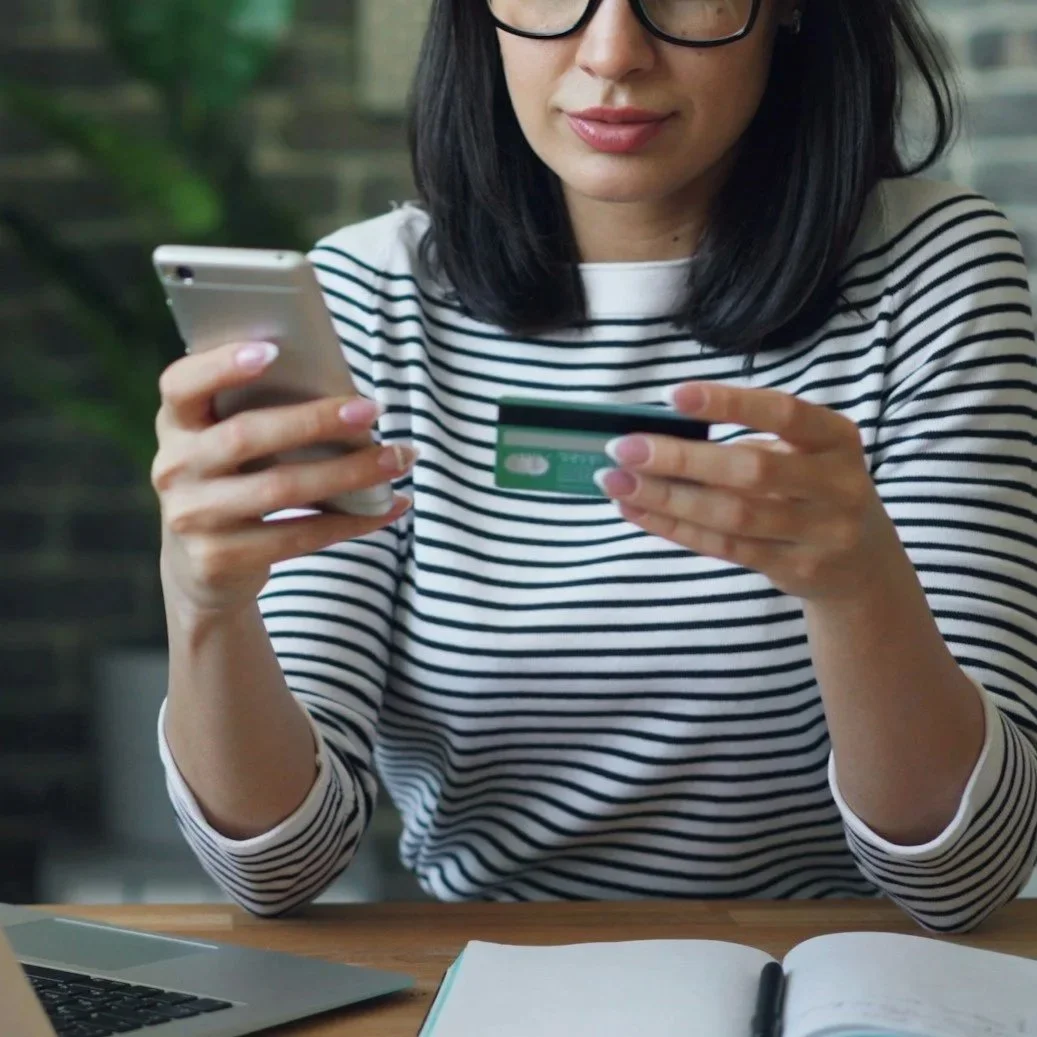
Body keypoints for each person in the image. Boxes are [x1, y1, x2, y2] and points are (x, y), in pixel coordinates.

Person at [151, 0, 1037, 933]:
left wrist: (859, 587)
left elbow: (965, 873)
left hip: (840, 978)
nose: (612, 53)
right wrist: (205, 605)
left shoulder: (933, 272)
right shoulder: (367, 300)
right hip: (489, 981)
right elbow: (276, 870)